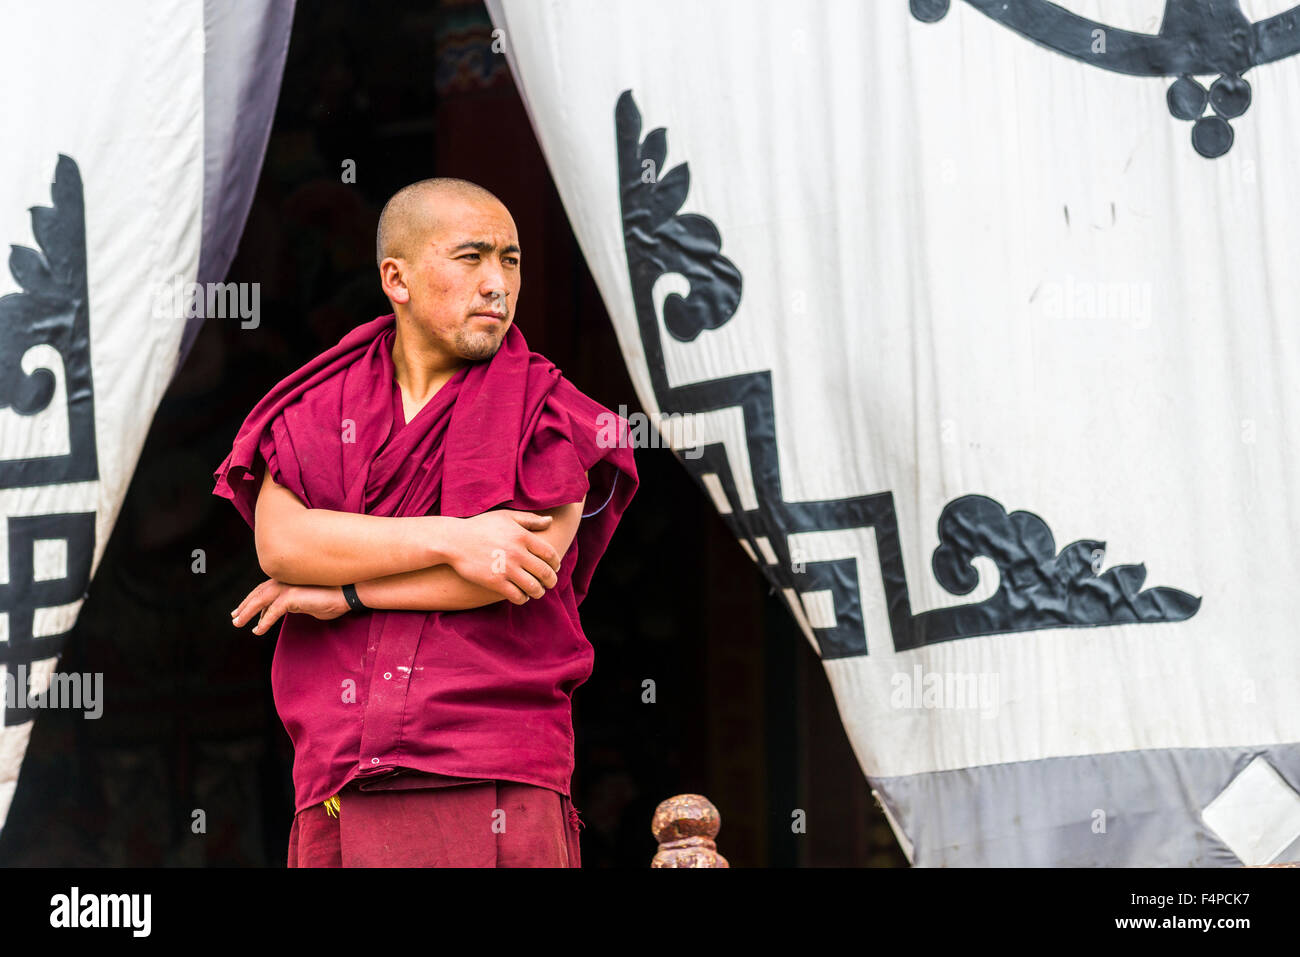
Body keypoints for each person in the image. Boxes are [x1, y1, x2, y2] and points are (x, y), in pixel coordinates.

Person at [211, 178, 638, 867]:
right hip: (343, 769)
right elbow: (281, 544)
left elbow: (521, 568)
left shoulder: (548, 407)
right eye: (472, 259)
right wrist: (456, 537)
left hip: (495, 760)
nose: (497, 285)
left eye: (511, 260)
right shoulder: (323, 402)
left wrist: (348, 589)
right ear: (396, 278)